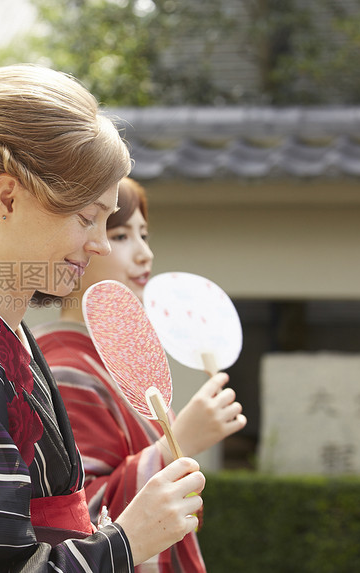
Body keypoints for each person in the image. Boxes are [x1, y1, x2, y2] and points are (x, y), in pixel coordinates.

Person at [0, 65, 205, 573]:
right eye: (86, 217)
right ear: (8, 197)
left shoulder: (4, 338)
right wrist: (126, 541)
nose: (98, 242)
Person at [34, 177, 248, 572]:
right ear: (77, 245)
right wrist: (178, 441)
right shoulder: (65, 368)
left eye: (144, 235)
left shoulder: (109, 359)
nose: (145, 254)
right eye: (121, 235)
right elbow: (79, 511)